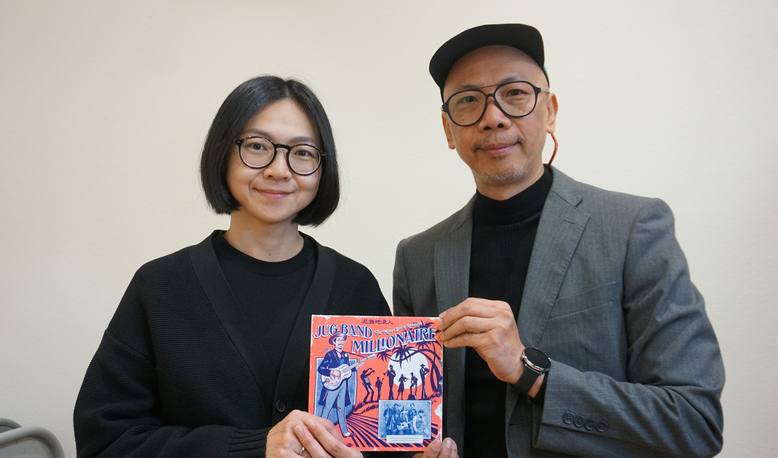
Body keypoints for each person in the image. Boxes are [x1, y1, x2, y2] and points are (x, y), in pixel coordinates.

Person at [393, 24, 724, 457]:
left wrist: (529, 371)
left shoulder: (634, 227)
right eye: (468, 101)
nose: (492, 117)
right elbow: (408, 417)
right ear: (448, 129)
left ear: (549, 110)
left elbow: (694, 422)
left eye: (514, 93)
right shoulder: (417, 256)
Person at [73, 75, 390, 458]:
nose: (279, 169)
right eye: (257, 146)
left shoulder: (354, 285)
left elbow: (377, 434)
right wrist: (256, 447)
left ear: (323, 169)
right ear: (223, 153)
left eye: (303, 153)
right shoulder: (160, 287)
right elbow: (105, 441)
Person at [318, 333, 357, 437]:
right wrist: (331, 372)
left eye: (342, 340)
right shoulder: (330, 355)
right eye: (338, 340)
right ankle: (319, 429)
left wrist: (356, 366)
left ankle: (344, 431)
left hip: (343, 383)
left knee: (341, 408)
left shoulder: (345, 355)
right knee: (328, 407)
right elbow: (320, 369)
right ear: (334, 342)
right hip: (333, 384)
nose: (340, 342)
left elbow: (346, 369)